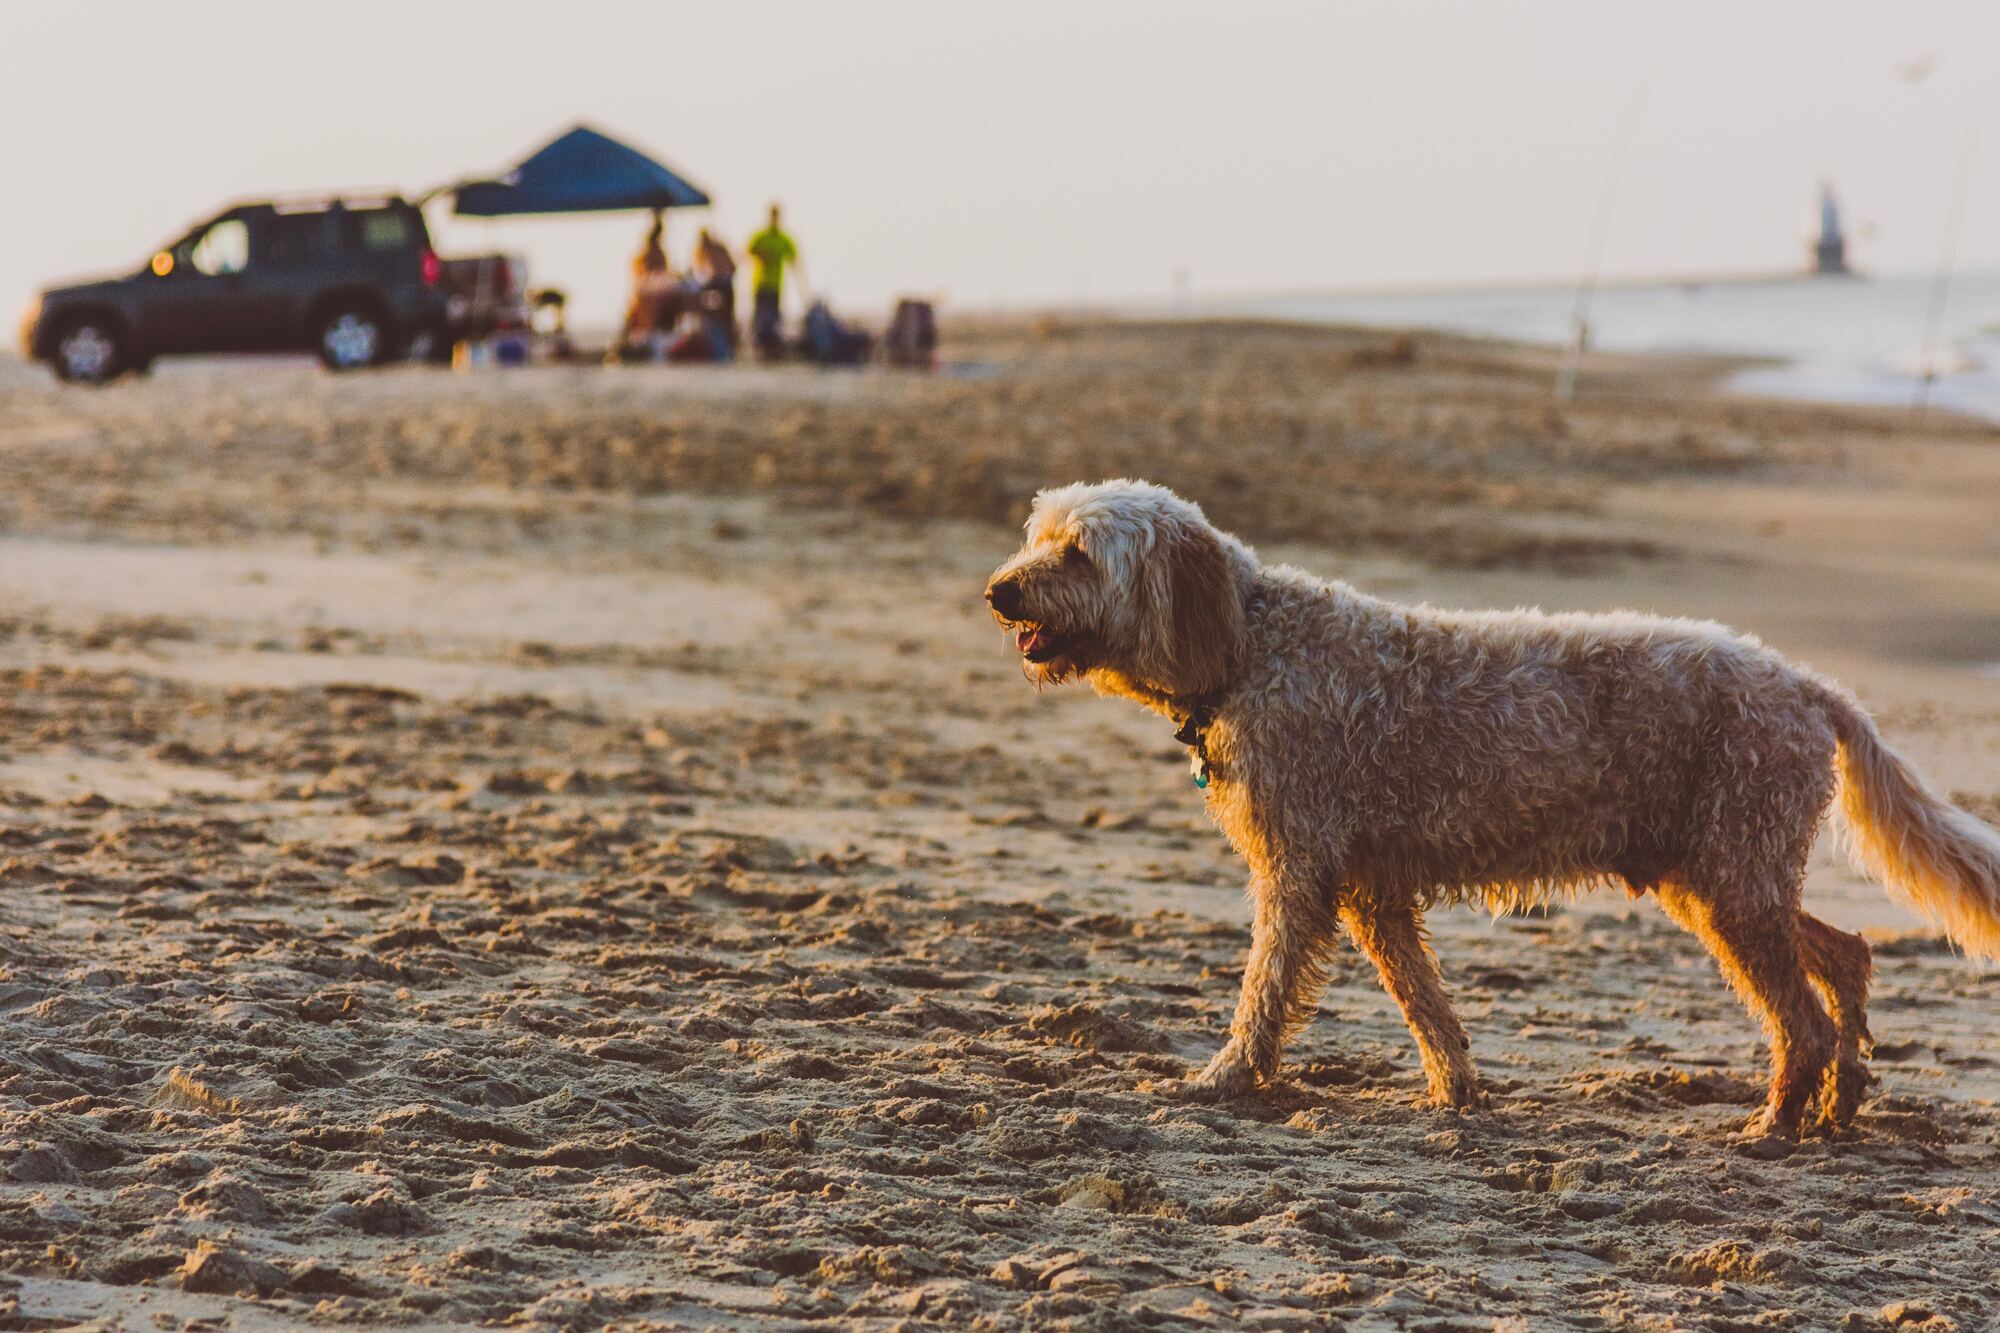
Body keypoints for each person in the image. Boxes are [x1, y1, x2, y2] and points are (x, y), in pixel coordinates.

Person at [746, 204, 799, 358]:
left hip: (776, 285)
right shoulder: (760, 236)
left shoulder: (784, 239)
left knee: (774, 318)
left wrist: (802, 288)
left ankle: (772, 349)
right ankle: (760, 348)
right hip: (760, 284)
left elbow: (794, 261)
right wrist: (761, 256)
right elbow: (748, 251)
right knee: (760, 318)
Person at [694, 228, 738, 356]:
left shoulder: (714, 249)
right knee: (717, 318)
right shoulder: (705, 250)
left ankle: (724, 349)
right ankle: (719, 349)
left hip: (719, 287)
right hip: (716, 286)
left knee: (722, 318)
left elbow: (731, 267)